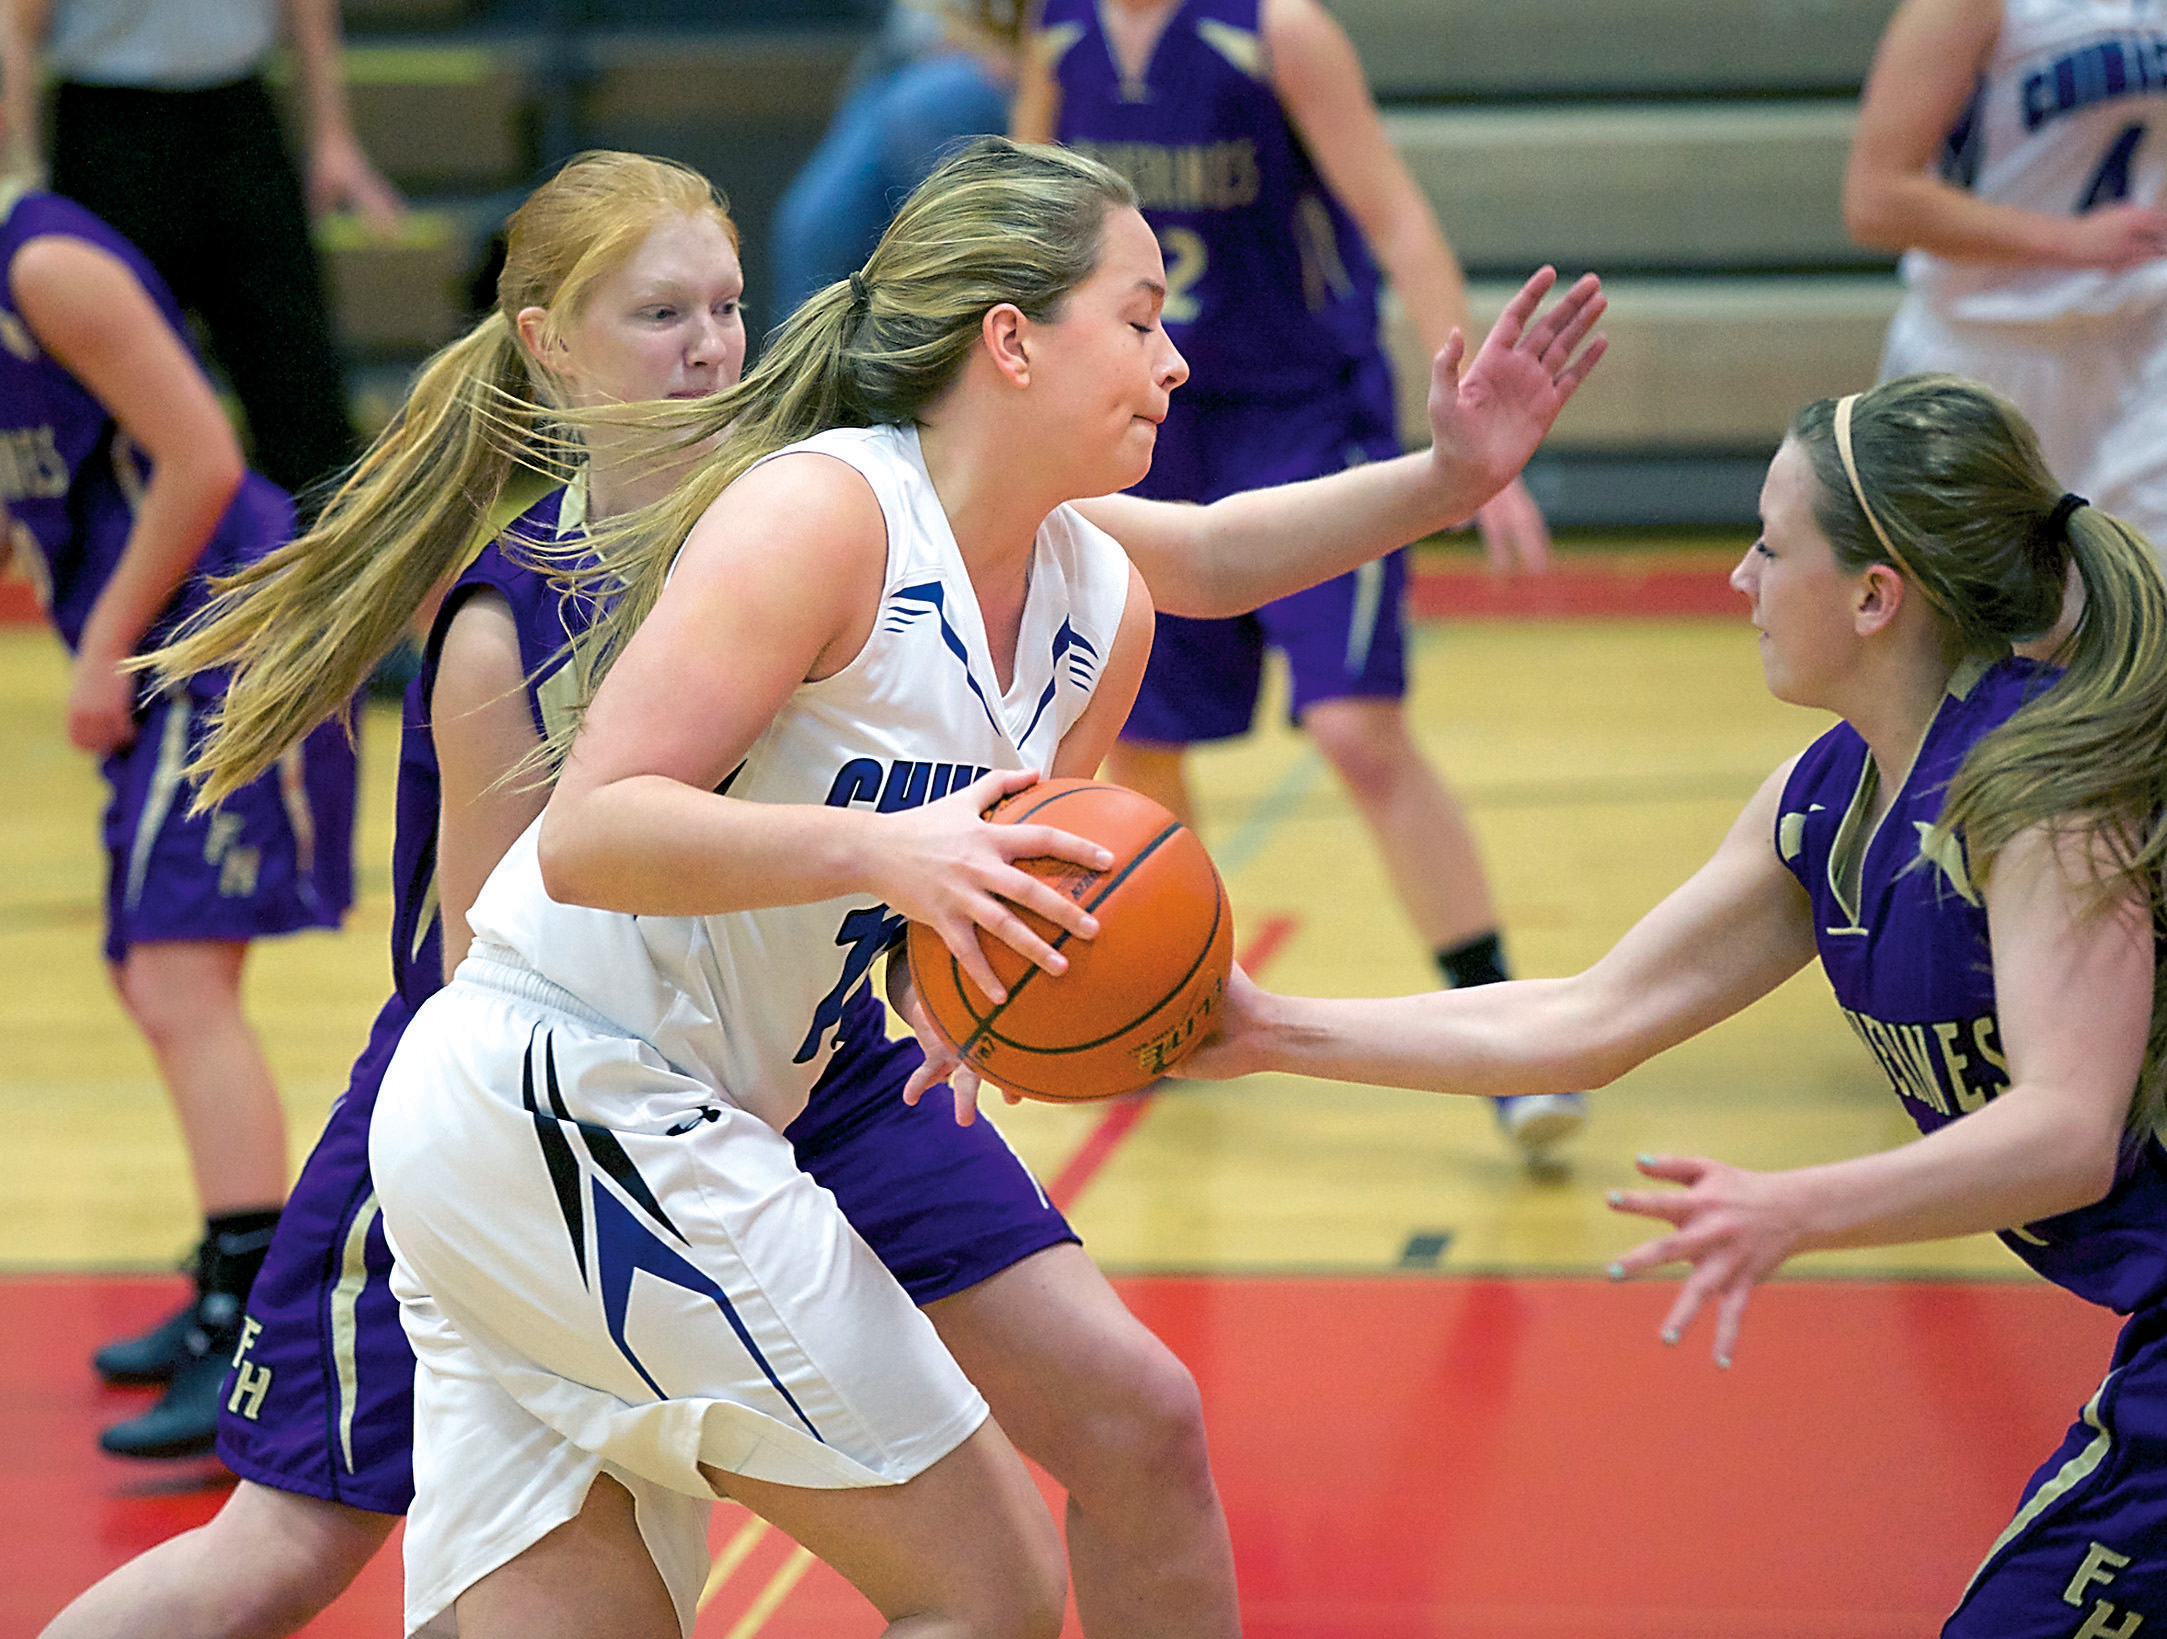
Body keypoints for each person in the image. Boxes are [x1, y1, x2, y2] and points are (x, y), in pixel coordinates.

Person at [45, 140, 1603, 1637]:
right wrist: (888, 856)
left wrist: (1442, 480)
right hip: (573, 1075)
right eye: (1137, 320)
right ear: (1009, 338)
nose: (710, 344)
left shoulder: (1052, 581)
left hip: (807, 1057)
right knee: (308, 1550)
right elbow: (554, 875)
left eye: (724, 306)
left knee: (1126, 1423)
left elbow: (1194, 556)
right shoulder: (736, 537)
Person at [1183, 372, 2167, 1632]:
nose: (1737, 580)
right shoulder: (1828, 803)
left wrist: (1791, 1205)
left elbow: (2064, 1130)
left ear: (1876, 596)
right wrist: (1268, 1029)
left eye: (1769, 544)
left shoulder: (2036, 790)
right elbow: (1585, 1021)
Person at [1016, 0, 1585, 1161]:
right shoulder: (1057, 37)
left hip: (1300, 420)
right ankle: (1161, 1005)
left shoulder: (1280, 32)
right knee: (1142, 734)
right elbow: (1016, 238)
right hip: (1144, 426)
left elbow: (1396, 219)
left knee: (1356, 729)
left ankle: (1502, 1036)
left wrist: (1478, 431)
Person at [0, 182, 356, 1460]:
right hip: (168, 639)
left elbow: (203, 455)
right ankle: (227, 1267)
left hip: (222, 632)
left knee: (179, 976)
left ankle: (252, 1323)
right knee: (150, 975)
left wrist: (101, 642)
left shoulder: (45, 266)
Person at [0, 0, 405, 508]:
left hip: (238, 117)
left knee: (302, 399)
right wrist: (23, 177)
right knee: (109, 417)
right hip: (107, 130)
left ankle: (335, 573)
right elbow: (17, 23)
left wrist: (332, 134)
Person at [1845, 0, 2167, 551]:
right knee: (1974, 617)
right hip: (1983, 351)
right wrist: (2072, 242)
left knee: (2143, 600)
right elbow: (1876, 201)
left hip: (2142, 337)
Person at [771, 1, 1015, 317]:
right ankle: (800, 365)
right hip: (903, 61)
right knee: (813, 225)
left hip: (998, 61)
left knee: (922, 108)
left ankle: (956, 337)